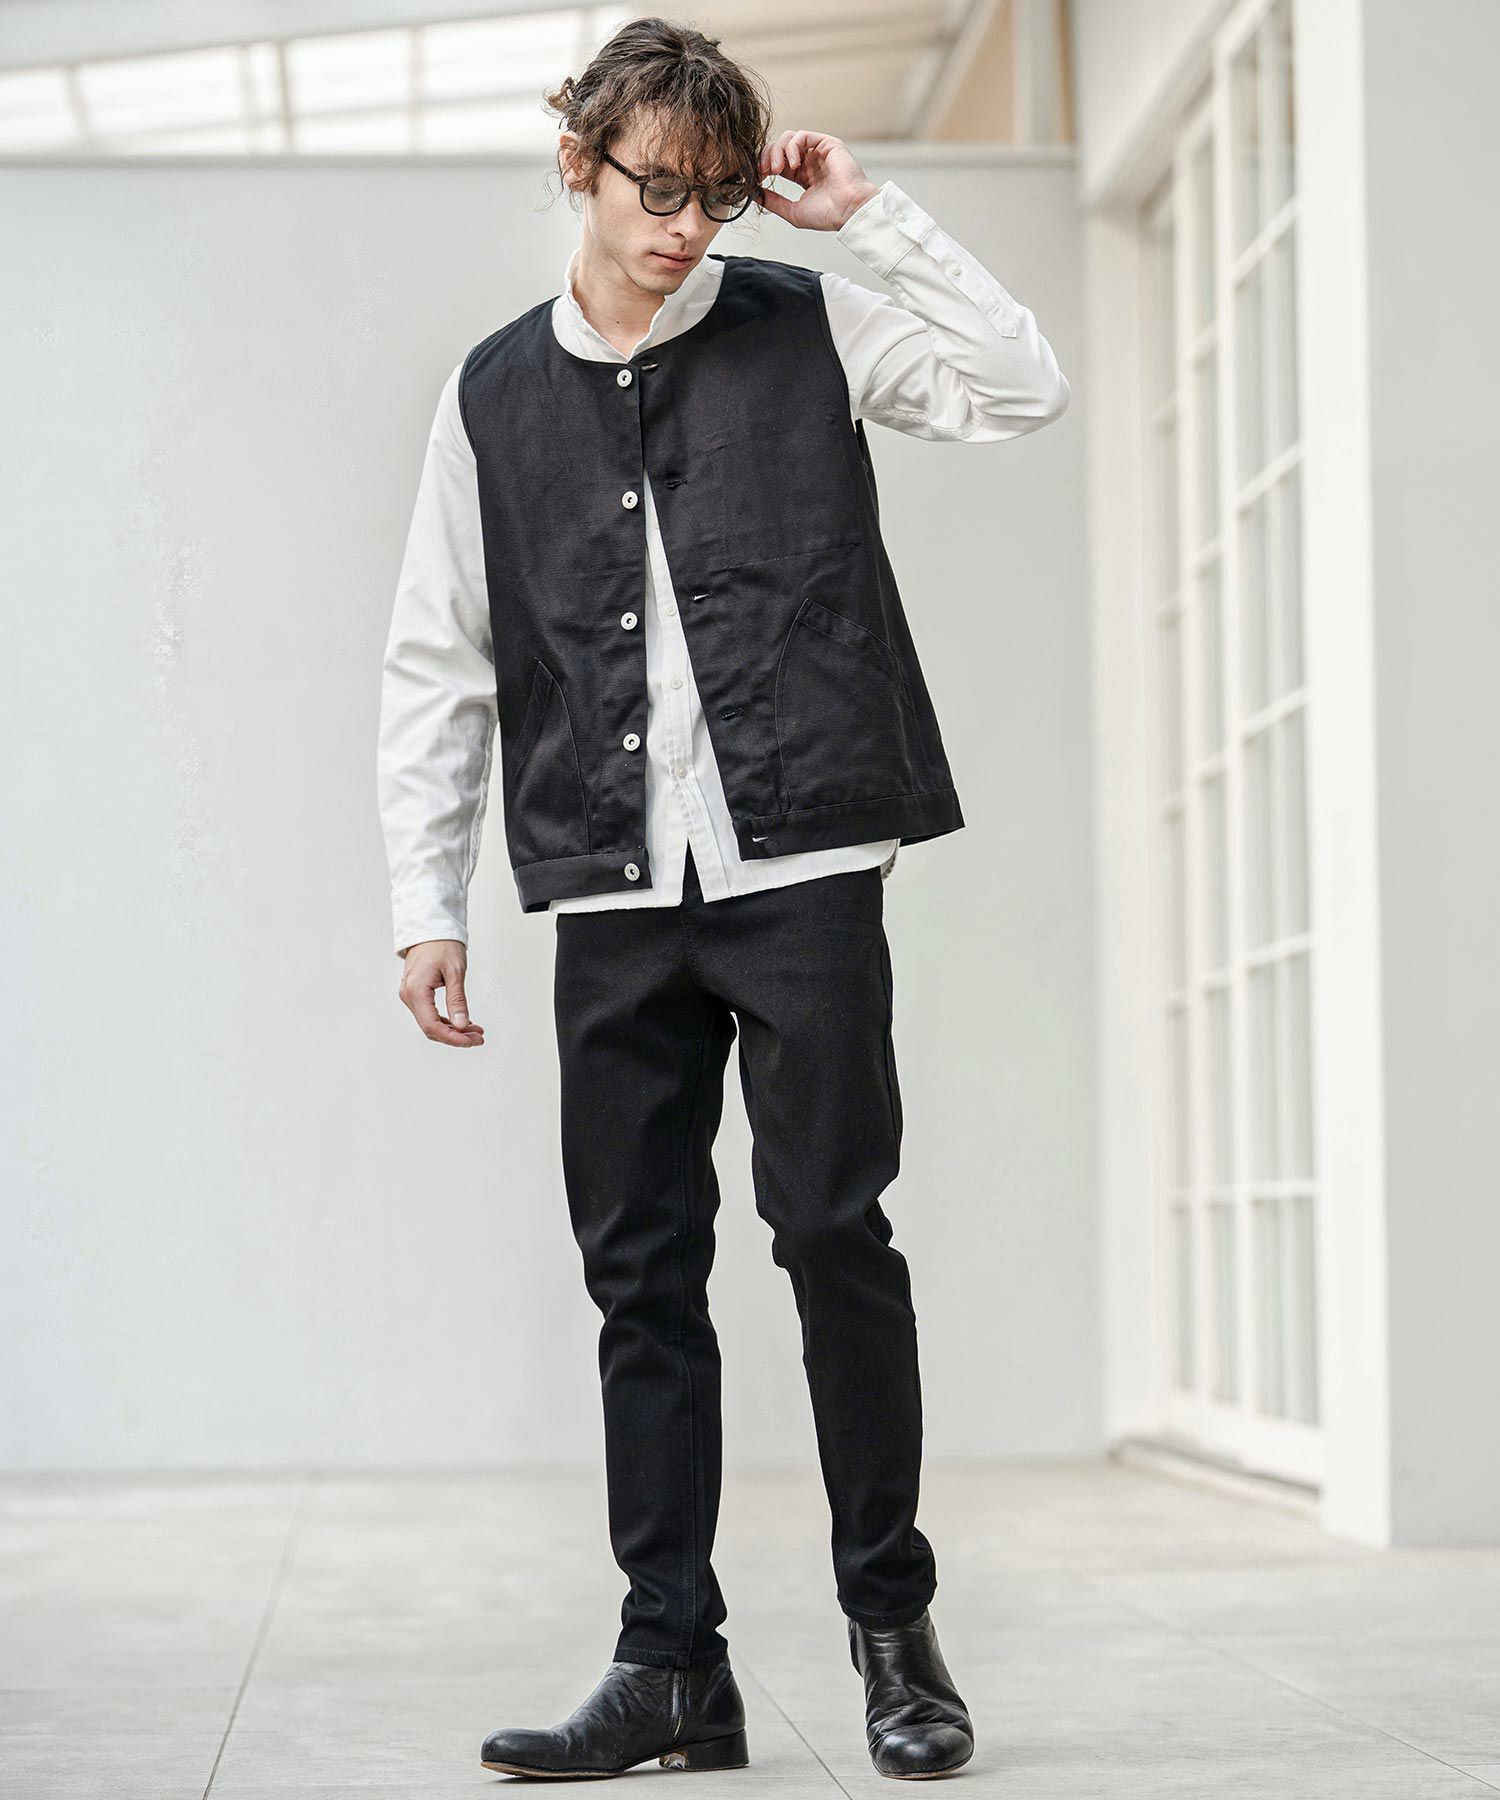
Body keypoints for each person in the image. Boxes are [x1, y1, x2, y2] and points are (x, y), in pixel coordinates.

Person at [376, 16, 1069, 1781]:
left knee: (835, 1233)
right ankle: (670, 1664)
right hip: (612, 884)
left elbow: (1022, 387)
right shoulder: (490, 395)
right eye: (656, 191)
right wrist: (424, 899)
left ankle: (895, 1635)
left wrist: (872, 218)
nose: (687, 229)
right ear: (579, 165)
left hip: (805, 861)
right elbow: (440, 658)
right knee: (640, 1276)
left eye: (714, 196)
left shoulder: (807, 319)